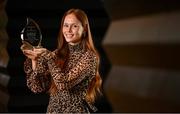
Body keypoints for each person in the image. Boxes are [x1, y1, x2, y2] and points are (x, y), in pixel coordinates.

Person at [21, 8, 102, 113]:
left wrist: (48, 56)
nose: (68, 30)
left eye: (74, 26)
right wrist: (34, 60)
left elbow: (63, 84)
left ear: (85, 29)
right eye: (66, 25)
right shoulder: (57, 54)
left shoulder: (89, 57)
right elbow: (37, 87)